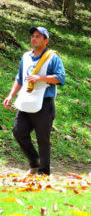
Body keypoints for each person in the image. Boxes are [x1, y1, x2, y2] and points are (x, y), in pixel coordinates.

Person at [3, 27, 65, 175]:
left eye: (38, 36)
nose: (34, 39)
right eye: (33, 36)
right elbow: (19, 79)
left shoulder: (52, 57)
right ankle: (34, 161)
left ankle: (43, 173)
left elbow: (60, 77)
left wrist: (41, 78)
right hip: (26, 102)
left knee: (42, 139)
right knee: (19, 132)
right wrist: (11, 95)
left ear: (46, 41)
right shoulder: (25, 57)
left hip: (44, 103)